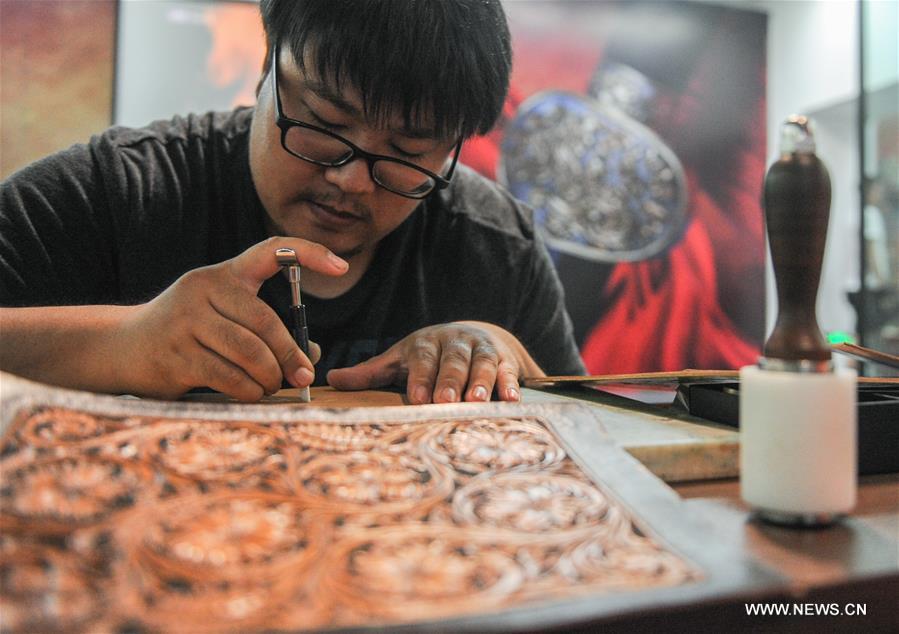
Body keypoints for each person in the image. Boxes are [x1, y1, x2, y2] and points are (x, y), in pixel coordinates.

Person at [0, 0, 584, 404]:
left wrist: (509, 362)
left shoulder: (496, 248)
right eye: (326, 127)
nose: (353, 181)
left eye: (406, 152)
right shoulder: (121, 190)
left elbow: (594, 430)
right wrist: (121, 343)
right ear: (265, 70)